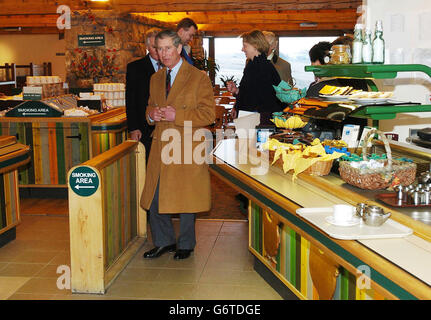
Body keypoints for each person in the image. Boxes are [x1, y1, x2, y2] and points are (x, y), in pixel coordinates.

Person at [140, 29, 215, 260]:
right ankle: (163, 241)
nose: (163, 54)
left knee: (186, 199)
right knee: (154, 196)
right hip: (161, 144)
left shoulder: (198, 77)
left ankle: (185, 244)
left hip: (186, 147)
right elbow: (150, 108)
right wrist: (151, 115)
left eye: (168, 48)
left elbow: (208, 114)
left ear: (179, 48)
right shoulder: (155, 78)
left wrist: (177, 116)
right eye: (159, 49)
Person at [226, 29, 283, 125]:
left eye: (245, 46)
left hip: (259, 121)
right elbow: (249, 93)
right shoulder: (253, 65)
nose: (242, 49)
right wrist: (236, 90)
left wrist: (238, 104)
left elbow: (259, 100)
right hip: (255, 118)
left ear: (255, 46)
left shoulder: (261, 67)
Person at [125, 27, 162, 161]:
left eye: (160, 46)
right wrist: (133, 128)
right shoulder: (135, 68)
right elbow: (131, 100)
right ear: (147, 47)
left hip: (167, 128)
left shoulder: (170, 66)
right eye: (154, 47)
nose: (158, 51)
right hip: (143, 128)